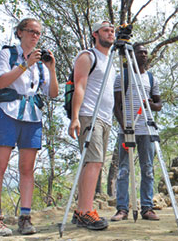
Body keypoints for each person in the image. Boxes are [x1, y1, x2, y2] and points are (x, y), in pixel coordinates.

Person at [0, 18, 59, 237]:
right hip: (7, 112)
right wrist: (24, 64)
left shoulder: (40, 63)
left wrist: (51, 69)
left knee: (27, 168)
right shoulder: (7, 54)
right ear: (19, 33)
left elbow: (52, 93)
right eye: (31, 31)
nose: (35, 36)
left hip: (32, 115)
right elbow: (0, 82)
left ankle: (25, 218)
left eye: (38, 33)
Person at [68, 20, 115, 230]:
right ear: (95, 34)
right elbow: (80, 85)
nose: (111, 34)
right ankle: (86, 211)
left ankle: (81, 210)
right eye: (106, 30)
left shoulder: (110, 62)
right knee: (94, 162)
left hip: (105, 118)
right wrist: (75, 117)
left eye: (112, 31)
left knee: (95, 163)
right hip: (90, 115)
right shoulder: (87, 56)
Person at [111, 44, 162, 221]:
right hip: (127, 130)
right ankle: (122, 209)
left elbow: (158, 104)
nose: (143, 55)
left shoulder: (151, 79)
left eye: (145, 52)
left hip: (146, 130)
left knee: (148, 169)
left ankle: (147, 208)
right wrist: (124, 126)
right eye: (139, 52)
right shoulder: (121, 78)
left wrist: (150, 103)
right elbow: (116, 106)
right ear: (131, 55)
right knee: (124, 170)